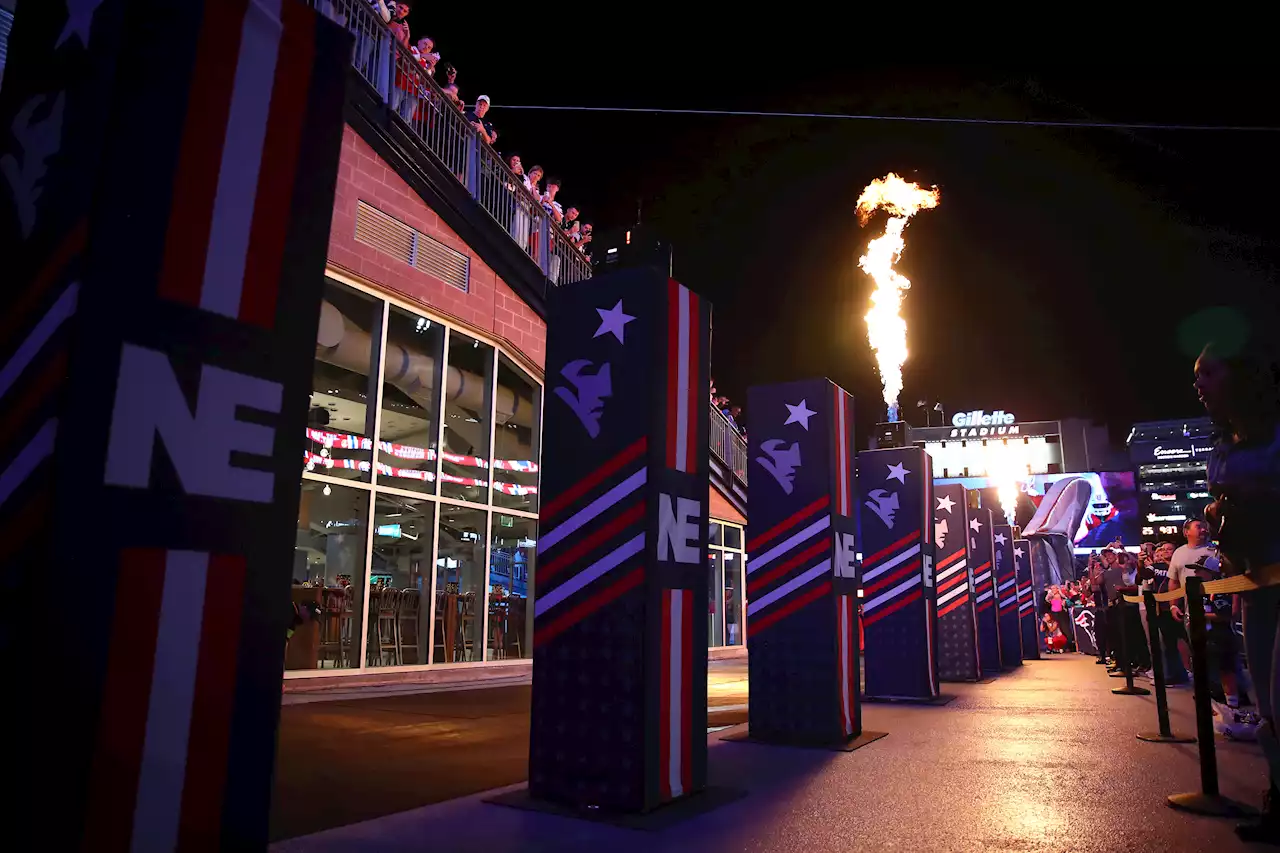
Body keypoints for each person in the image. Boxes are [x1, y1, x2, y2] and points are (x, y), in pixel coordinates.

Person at [1193, 338, 1280, 842]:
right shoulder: (1224, 449)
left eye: (1209, 373)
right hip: (1257, 585)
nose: (1199, 384)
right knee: (1270, 700)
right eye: (1196, 375)